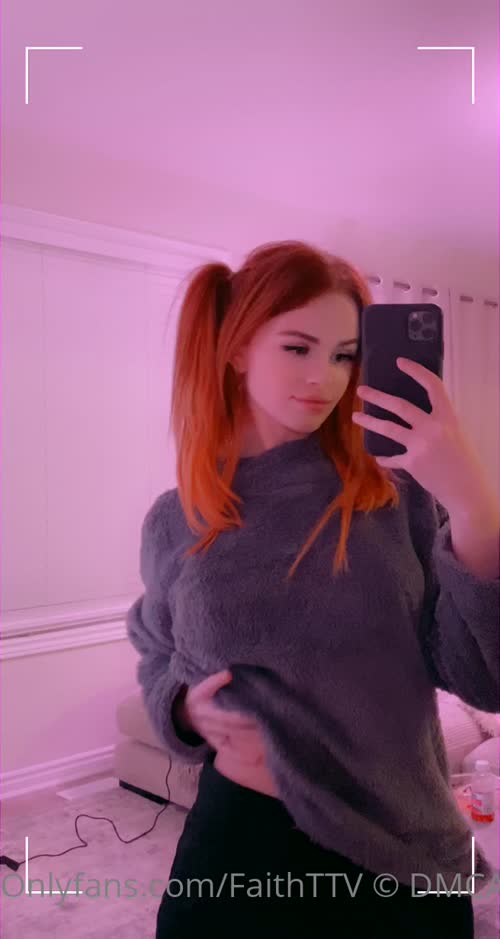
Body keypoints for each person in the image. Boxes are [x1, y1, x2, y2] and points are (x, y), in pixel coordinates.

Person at [126, 240, 500, 938]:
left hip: (394, 850)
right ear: (237, 348)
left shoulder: (396, 498)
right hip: (235, 843)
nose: (324, 377)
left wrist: (475, 504)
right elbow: (154, 646)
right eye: (298, 347)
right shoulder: (176, 518)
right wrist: (179, 706)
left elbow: (486, 676)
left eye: (344, 355)